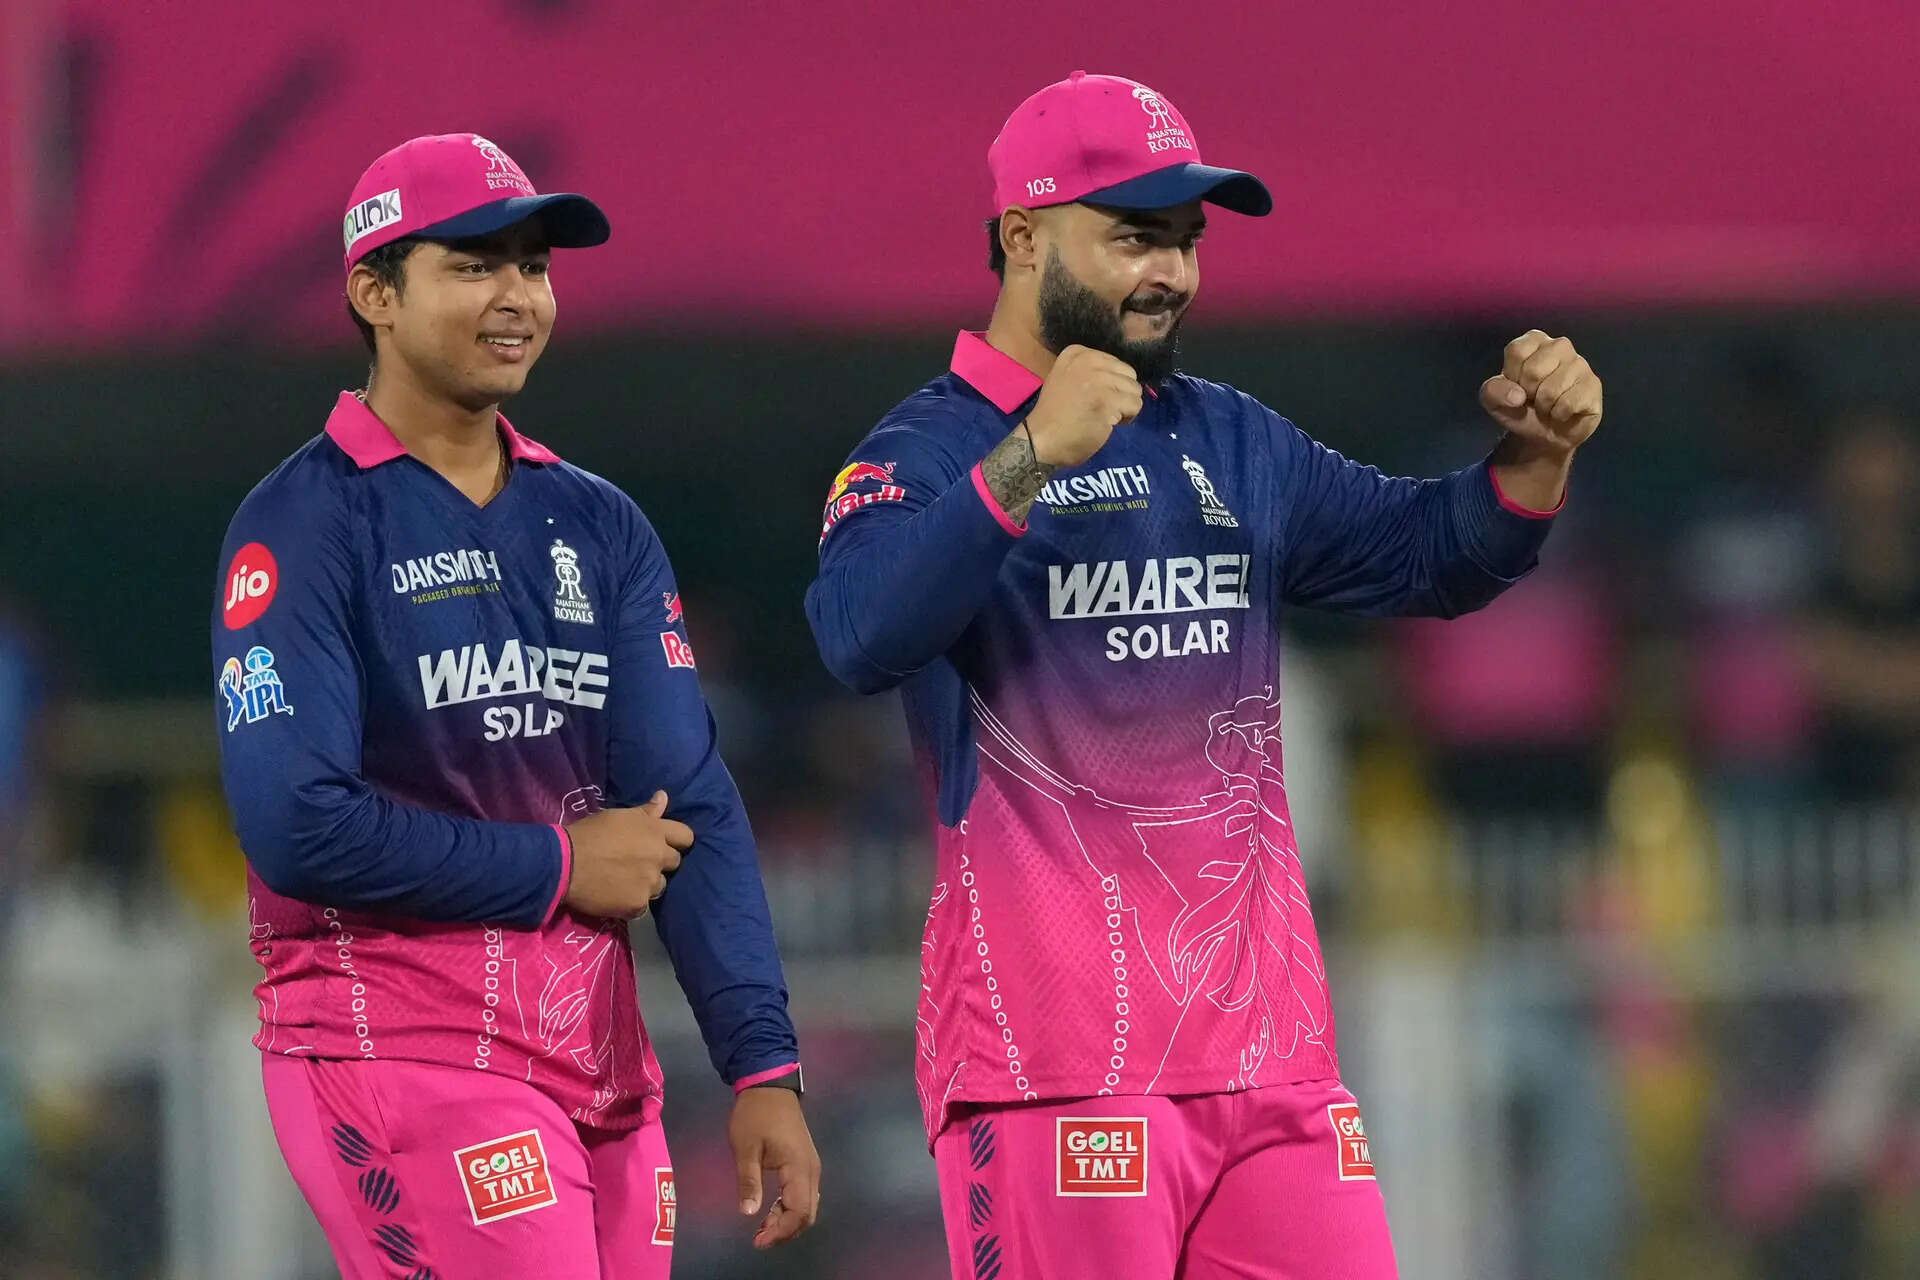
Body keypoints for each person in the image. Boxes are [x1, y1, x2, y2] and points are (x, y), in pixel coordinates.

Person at [805, 72, 1601, 1278]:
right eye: (1135, 236)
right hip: (1055, 1070)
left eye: (1186, 239)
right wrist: (1029, 455)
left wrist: (1533, 458)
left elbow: (1426, 552)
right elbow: (859, 634)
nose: (1171, 271)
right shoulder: (925, 450)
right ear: (1023, 237)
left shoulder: (1225, 434)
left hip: (1274, 1068)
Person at [213, 133, 818, 1278]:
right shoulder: (302, 525)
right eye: (473, 264)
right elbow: (296, 824)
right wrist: (556, 863)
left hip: (604, 1079)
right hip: (400, 1045)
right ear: (375, 292)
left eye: (533, 266)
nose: (518, 296)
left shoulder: (599, 524)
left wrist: (762, 1064)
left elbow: (688, 801)